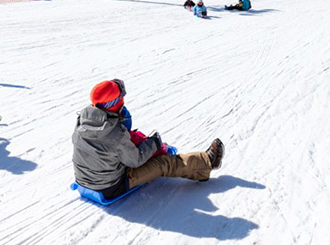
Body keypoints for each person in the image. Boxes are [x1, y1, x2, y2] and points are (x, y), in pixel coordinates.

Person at [72, 79, 224, 200]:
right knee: (164, 163)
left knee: (125, 144)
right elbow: (135, 160)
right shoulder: (116, 134)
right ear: (116, 102)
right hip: (110, 187)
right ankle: (207, 162)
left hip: (84, 180)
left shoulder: (83, 121)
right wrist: (154, 143)